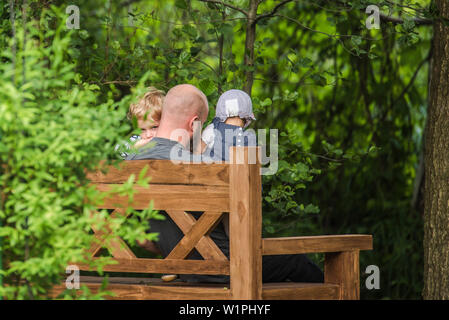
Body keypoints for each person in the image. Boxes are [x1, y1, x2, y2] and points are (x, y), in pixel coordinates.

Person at [126, 84, 324, 284]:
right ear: (194, 123)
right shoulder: (201, 167)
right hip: (224, 268)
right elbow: (246, 213)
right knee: (294, 260)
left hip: (182, 268)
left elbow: (144, 237)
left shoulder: (129, 162)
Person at [201, 89, 257, 162]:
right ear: (246, 119)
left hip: (211, 171)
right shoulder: (249, 138)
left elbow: (199, 151)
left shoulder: (212, 129)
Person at [117, 87, 164, 159]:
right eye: (142, 129)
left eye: (154, 127)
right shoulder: (137, 139)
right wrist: (134, 147)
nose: (148, 135)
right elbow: (117, 150)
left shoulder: (168, 138)